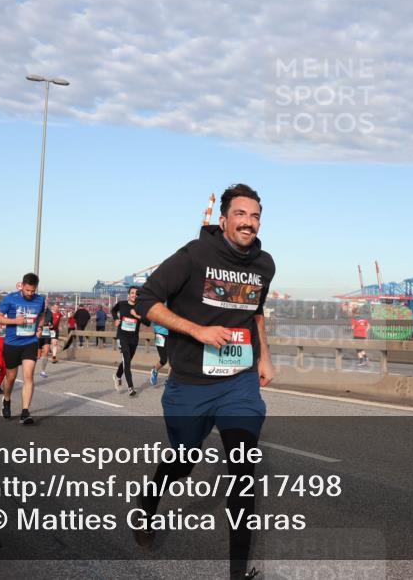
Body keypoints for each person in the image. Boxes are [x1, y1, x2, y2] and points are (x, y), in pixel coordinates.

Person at [133, 183, 275, 580]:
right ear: (224, 218)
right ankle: (146, 506)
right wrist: (197, 331)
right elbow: (145, 301)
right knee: (182, 462)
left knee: (243, 466)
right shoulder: (194, 255)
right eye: (241, 215)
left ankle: (236, 573)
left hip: (239, 382)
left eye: (255, 216)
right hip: (191, 382)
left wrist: (264, 355)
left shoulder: (265, 264)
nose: (249, 222)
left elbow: (256, 310)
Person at [0, 273, 46, 424]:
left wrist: (40, 327)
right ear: (22, 286)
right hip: (12, 343)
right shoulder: (10, 298)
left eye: (33, 291)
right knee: (10, 378)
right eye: (27, 290)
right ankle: (7, 399)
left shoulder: (40, 300)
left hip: (30, 342)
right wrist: (14, 321)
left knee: (28, 377)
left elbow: (42, 314)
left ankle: (25, 412)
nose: (30, 293)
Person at [111, 287, 141, 395]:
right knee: (127, 362)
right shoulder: (122, 304)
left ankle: (117, 376)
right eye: (132, 293)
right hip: (122, 336)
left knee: (126, 360)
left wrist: (136, 315)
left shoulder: (140, 307)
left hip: (134, 338)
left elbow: (147, 321)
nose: (134, 295)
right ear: (129, 294)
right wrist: (115, 319)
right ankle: (130, 387)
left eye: (136, 293)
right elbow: (113, 310)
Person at [150, 321, 170, 385]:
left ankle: (169, 379)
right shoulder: (156, 311)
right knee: (163, 359)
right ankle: (155, 370)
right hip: (160, 334)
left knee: (172, 359)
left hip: (171, 335)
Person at [37, 306, 55, 378]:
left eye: (47, 303)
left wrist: (51, 325)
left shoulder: (50, 313)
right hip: (38, 333)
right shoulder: (37, 310)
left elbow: (52, 324)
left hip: (46, 333)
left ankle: (43, 371)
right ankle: (29, 368)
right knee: (37, 355)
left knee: (46, 351)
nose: (46, 305)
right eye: (44, 303)